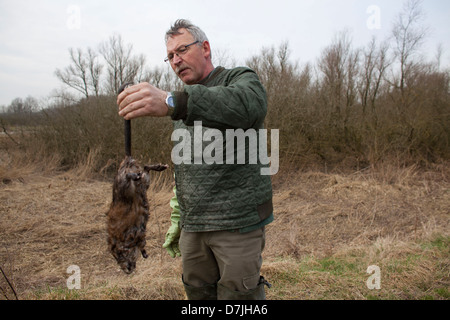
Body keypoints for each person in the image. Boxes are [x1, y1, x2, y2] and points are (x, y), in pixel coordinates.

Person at [117, 19, 273, 300]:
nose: (176, 61)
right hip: (194, 229)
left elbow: (248, 106)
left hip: (238, 226)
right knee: (198, 297)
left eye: (182, 50)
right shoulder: (182, 103)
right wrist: (180, 215)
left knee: (239, 299)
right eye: (170, 57)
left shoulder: (238, 80)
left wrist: (172, 102)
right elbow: (187, 166)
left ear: (205, 48)